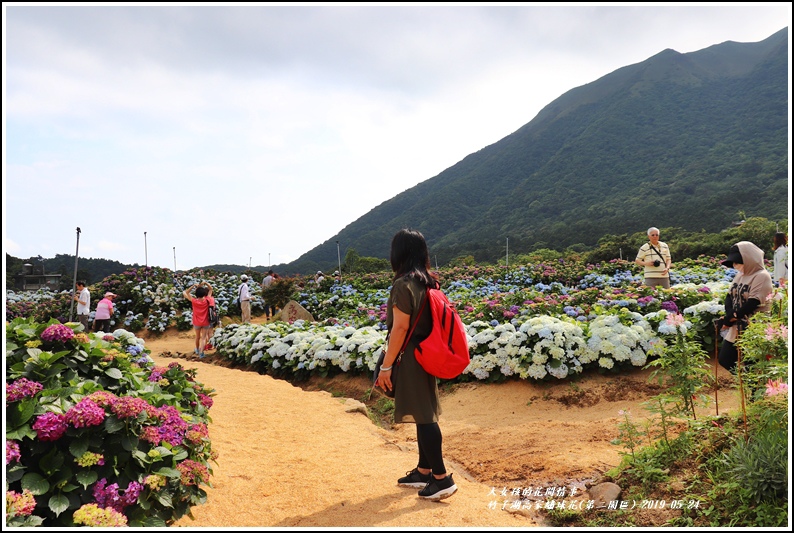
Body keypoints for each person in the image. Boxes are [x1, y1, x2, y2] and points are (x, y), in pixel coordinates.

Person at [374, 228, 458, 501]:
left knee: (425, 417)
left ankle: (441, 478)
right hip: (428, 352)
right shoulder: (429, 282)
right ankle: (424, 470)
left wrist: (385, 368)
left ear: (397, 254)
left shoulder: (402, 285)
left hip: (410, 357)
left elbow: (399, 329)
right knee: (425, 413)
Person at [717, 241, 774, 372]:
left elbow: (752, 304)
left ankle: (752, 389)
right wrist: (730, 315)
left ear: (750, 259)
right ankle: (744, 383)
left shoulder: (762, 276)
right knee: (725, 359)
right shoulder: (740, 275)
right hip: (737, 325)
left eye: (738, 262)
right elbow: (729, 297)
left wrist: (730, 319)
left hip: (754, 327)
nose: (736, 265)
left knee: (751, 364)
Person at [183, 282, 213, 357]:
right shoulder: (207, 300)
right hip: (206, 322)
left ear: (196, 294)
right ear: (204, 293)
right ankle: (201, 353)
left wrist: (193, 285)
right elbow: (211, 289)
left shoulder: (194, 301)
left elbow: (186, 292)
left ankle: (196, 349)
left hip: (196, 322)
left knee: (197, 337)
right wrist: (205, 283)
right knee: (203, 338)